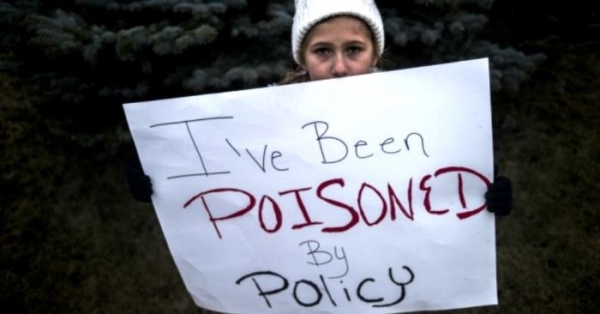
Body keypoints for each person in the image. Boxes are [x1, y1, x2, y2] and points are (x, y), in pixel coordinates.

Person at [125, 0, 513, 216]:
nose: (340, 67)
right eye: (323, 51)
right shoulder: (263, 117)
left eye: (354, 50)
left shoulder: (417, 116)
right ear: (302, 59)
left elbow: (446, 176)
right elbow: (222, 183)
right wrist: (158, 179)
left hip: (390, 277)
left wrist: (488, 193)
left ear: (376, 52)